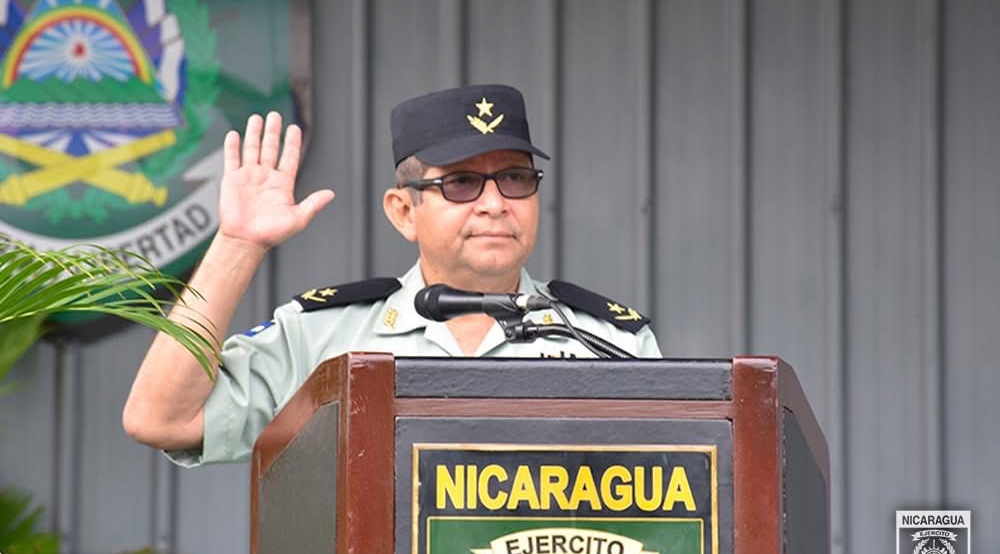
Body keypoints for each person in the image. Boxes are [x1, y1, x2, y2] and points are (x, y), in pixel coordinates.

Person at [123, 84, 661, 465]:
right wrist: (238, 245)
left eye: (516, 178)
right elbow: (160, 419)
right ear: (403, 211)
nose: (496, 204)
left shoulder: (609, 339)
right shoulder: (325, 334)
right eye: (461, 183)